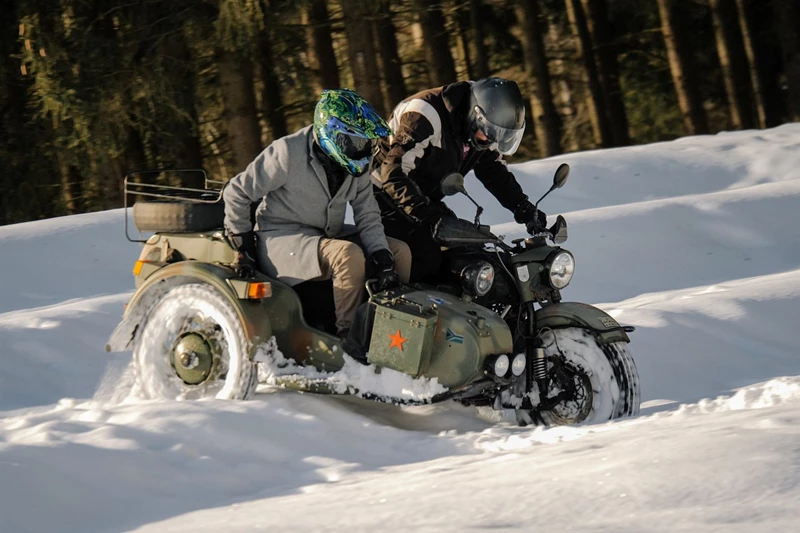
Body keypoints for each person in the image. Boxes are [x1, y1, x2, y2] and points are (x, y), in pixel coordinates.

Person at [223, 88, 412, 337]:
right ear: (331, 133)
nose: (364, 150)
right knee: (348, 254)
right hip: (280, 240)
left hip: (323, 236)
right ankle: (350, 339)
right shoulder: (287, 152)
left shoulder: (357, 167)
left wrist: (382, 256)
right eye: (356, 143)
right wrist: (242, 246)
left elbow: (367, 215)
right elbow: (237, 191)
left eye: (367, 143)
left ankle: (395, 330)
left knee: (399, 252)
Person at [372, 77, 547, 282]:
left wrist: (522, 207)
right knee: (427, 254)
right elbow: (393, 171)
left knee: (468, 250)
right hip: (384, 193)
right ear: (475, 115)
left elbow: (493, 170)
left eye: (500, 135)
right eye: (490, 133)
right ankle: (410, 307)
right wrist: (427, 215)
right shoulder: (425, 114)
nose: (490, 139)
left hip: (423, 197)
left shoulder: (485, 127)